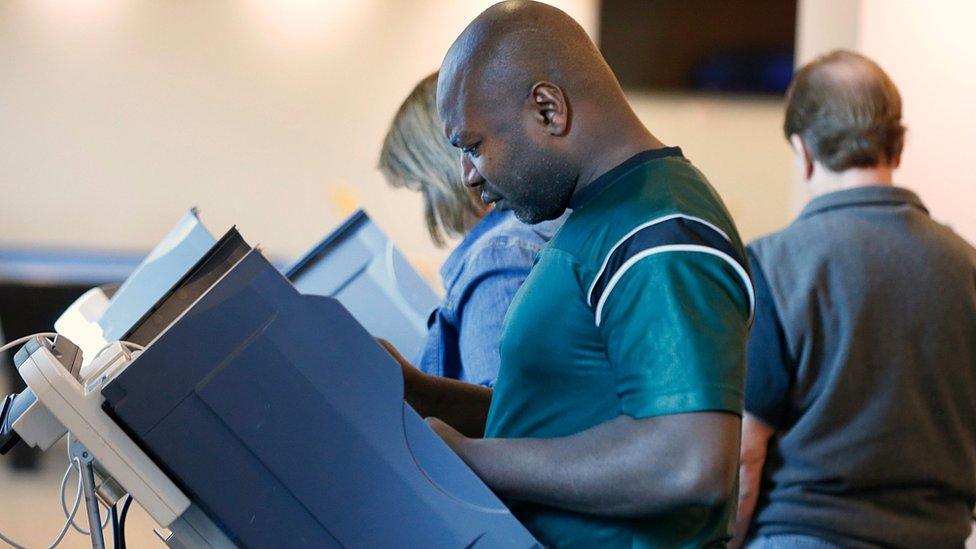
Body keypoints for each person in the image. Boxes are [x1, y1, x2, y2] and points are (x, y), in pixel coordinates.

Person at [381, 2, 754, 546]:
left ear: (548, 108)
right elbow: (561, 422)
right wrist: (426, 396)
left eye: (474, 145)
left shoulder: (658, 230)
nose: (466, 176)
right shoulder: (599, 217)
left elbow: (689, 463)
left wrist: (470, 458)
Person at [731, 50, 976, 549]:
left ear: (802, 153)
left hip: (806, 534)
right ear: (899, 146)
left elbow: (745, 453)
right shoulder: (967, 267)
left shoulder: (775, 265)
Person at [379, 72, 564, 387]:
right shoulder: (546, 223)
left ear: (439, 173)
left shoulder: (496, 257)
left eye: (422, 189)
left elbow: (506, 423)